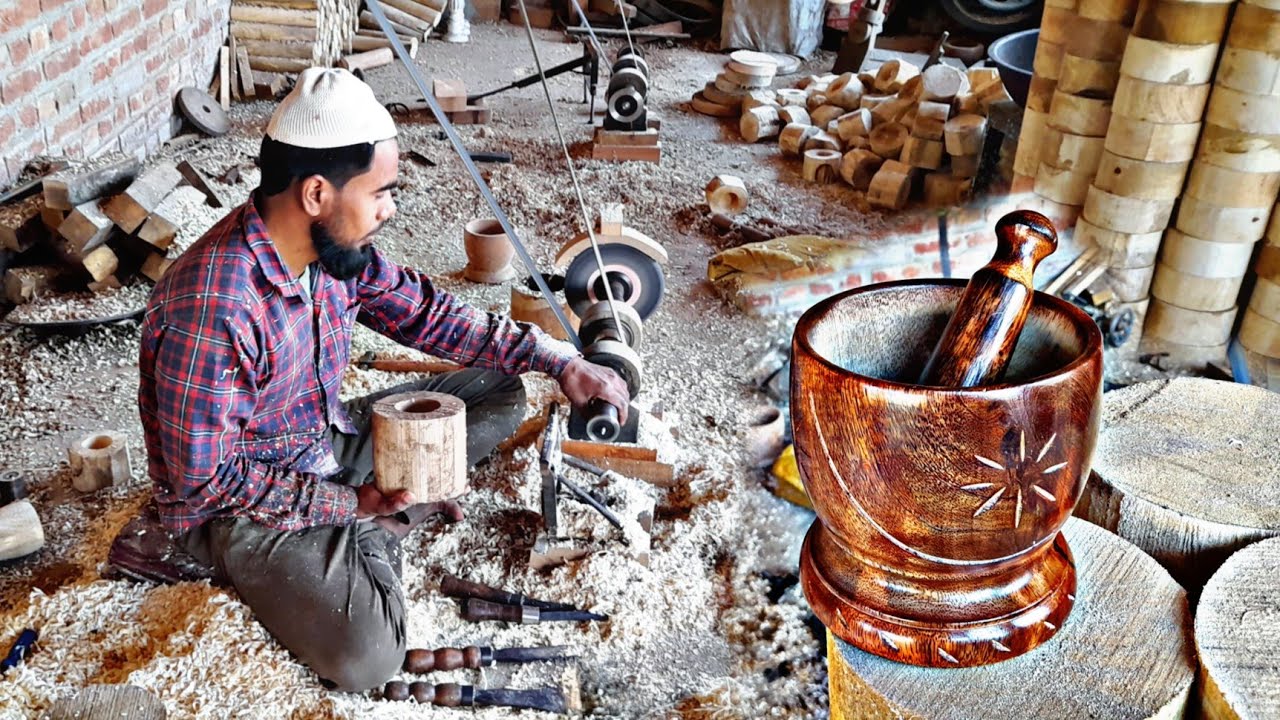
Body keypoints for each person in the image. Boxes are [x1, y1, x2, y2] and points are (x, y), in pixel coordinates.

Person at [136, 67, 629, 691]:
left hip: (322, 438)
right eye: (379, 193)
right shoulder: (215, 308)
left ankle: (377, 512)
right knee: (370, 657)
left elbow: (425, 313)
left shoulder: (328, 252)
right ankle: (371, 530)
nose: (388, 210)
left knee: (499, 390)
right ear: (317, 193)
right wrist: (352, 505)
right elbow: (203, 478)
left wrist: (557, 358)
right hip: (242, 503)